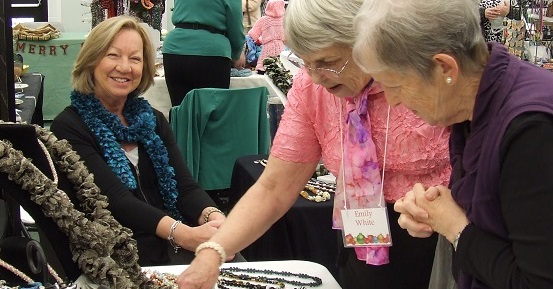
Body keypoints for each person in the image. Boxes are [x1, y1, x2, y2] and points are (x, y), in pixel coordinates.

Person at [352, 0, 553, 288]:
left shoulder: (532, 131)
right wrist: (436, 212)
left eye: (395, 86)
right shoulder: (481, 102)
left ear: (444, 67)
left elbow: (545, 282)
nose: (394, 101)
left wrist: (455, 226)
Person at [176, 0, 452, 288]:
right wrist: (214, 251)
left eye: (327, 62)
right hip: (361, 237)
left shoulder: (422, 74)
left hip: (440, 240)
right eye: (306, 62)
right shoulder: (311, 88)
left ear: (368, 40)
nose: (317, 76)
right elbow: (274, 187)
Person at [50, 16, 237, 266]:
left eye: (135, 58)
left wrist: (213, 217)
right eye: (113, 55)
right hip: (114, 255)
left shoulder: (154, 120)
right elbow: (117, 201)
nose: (125, 67)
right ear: (91, 61)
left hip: (169, 246)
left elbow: (186, 187)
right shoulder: (69, 127)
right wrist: (185, 235)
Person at [162, 0, 245, 106]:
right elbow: (236, 28)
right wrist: (236, 54)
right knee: (213, 115)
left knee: (180, 113)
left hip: (174, 49)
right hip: (212, 52)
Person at [247, 0, 285, 73]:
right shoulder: (284, 20)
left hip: (267, 47)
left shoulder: (264, 20)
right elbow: (288, 37)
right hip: (280, 47)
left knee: (263, 66)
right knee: (280, 67)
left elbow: (253, 34)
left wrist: (260, 40)